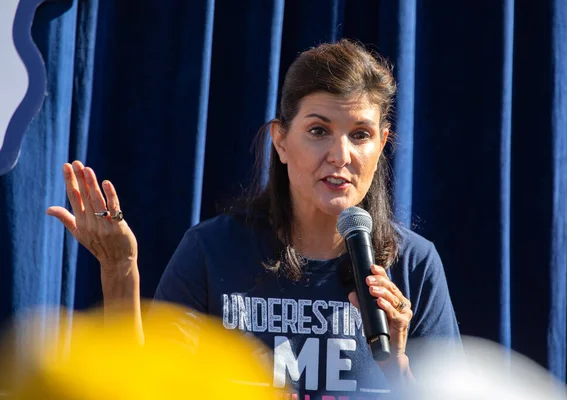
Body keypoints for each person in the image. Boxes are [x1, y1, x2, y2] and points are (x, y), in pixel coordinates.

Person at [47, 39, 460, 399]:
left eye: (360, 134)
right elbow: (142, 389)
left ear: (382, 142)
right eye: (318, 131)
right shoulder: (212, 250)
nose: (341, 155)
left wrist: (397, 365)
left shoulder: (414, 266)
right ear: (280, 140)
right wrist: (120, 271)